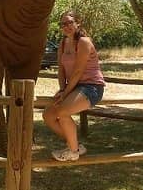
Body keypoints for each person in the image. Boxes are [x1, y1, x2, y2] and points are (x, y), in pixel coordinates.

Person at [43, 11, 105, 161]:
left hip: (91, 87)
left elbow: (78, 71)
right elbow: (61, 70)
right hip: (74, 87)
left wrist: (65, 94)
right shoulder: (63, 44)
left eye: (70, 22)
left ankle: (73, 151)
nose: (66, 26)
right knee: (48, 115)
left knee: (63, 112)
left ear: (78, 23)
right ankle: (75, 145)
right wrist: (62, 90)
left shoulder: (84, 42)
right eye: (63, 24)